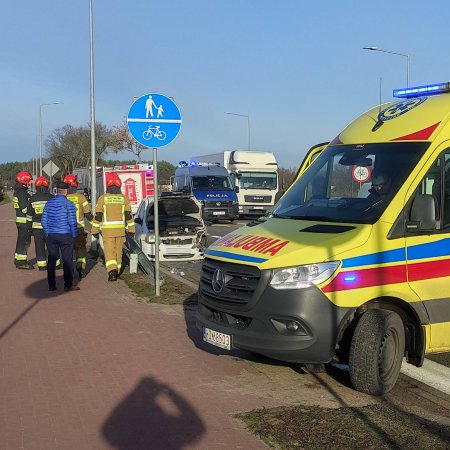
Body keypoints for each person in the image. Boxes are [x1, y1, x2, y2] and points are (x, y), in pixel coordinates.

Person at [91, 173, 135, 281]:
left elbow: (98, 216)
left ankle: (112, 271)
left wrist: (94, 231)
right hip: (120, 231)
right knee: (118, 252)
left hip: (108, 232)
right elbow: (128, 215)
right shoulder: (123, 199)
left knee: (109, 252)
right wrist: (131, 230)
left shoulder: (102, 199)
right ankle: (117, 271)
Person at [41, 181, 79, 292]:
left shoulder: (49, 203)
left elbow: (44, 220)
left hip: (52, 235)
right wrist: (74, 235)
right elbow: (72, 222)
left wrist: (47, 233)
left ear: (56, 191)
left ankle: (51, 285)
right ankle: (68, 284)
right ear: (66, 191)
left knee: (51, 260)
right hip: (66, 235)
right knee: (67, 260)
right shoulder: (69, 204)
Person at [64, 174, 93, 278]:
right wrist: (96, 226)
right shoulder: (81, 198)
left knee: (67, 251)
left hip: (65, 230)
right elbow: (88, 215)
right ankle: (80, 267)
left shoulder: (63, 198)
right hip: (78, 229)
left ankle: (68, 272)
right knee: (80, 249)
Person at [26, 176, 54, 271]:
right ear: (47, 186)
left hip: (37, 228)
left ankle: (42, 266)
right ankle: (56, 264)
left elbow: (29, 216)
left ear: (36, 187)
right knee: (52, 246)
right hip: (50, 227)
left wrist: (29, 229)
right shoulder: (52, 198)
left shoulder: (32, 199)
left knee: (39, 246)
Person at [13, 171, 33, 269]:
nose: (29, 184)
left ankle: (18, 259)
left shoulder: (18, 190)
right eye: (28, 181)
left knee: (21, 240)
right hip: (24, 221)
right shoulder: (21, 192)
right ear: (24, 180)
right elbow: (25, 208)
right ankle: (21, 262)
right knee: (25, 241)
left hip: (20, 220)